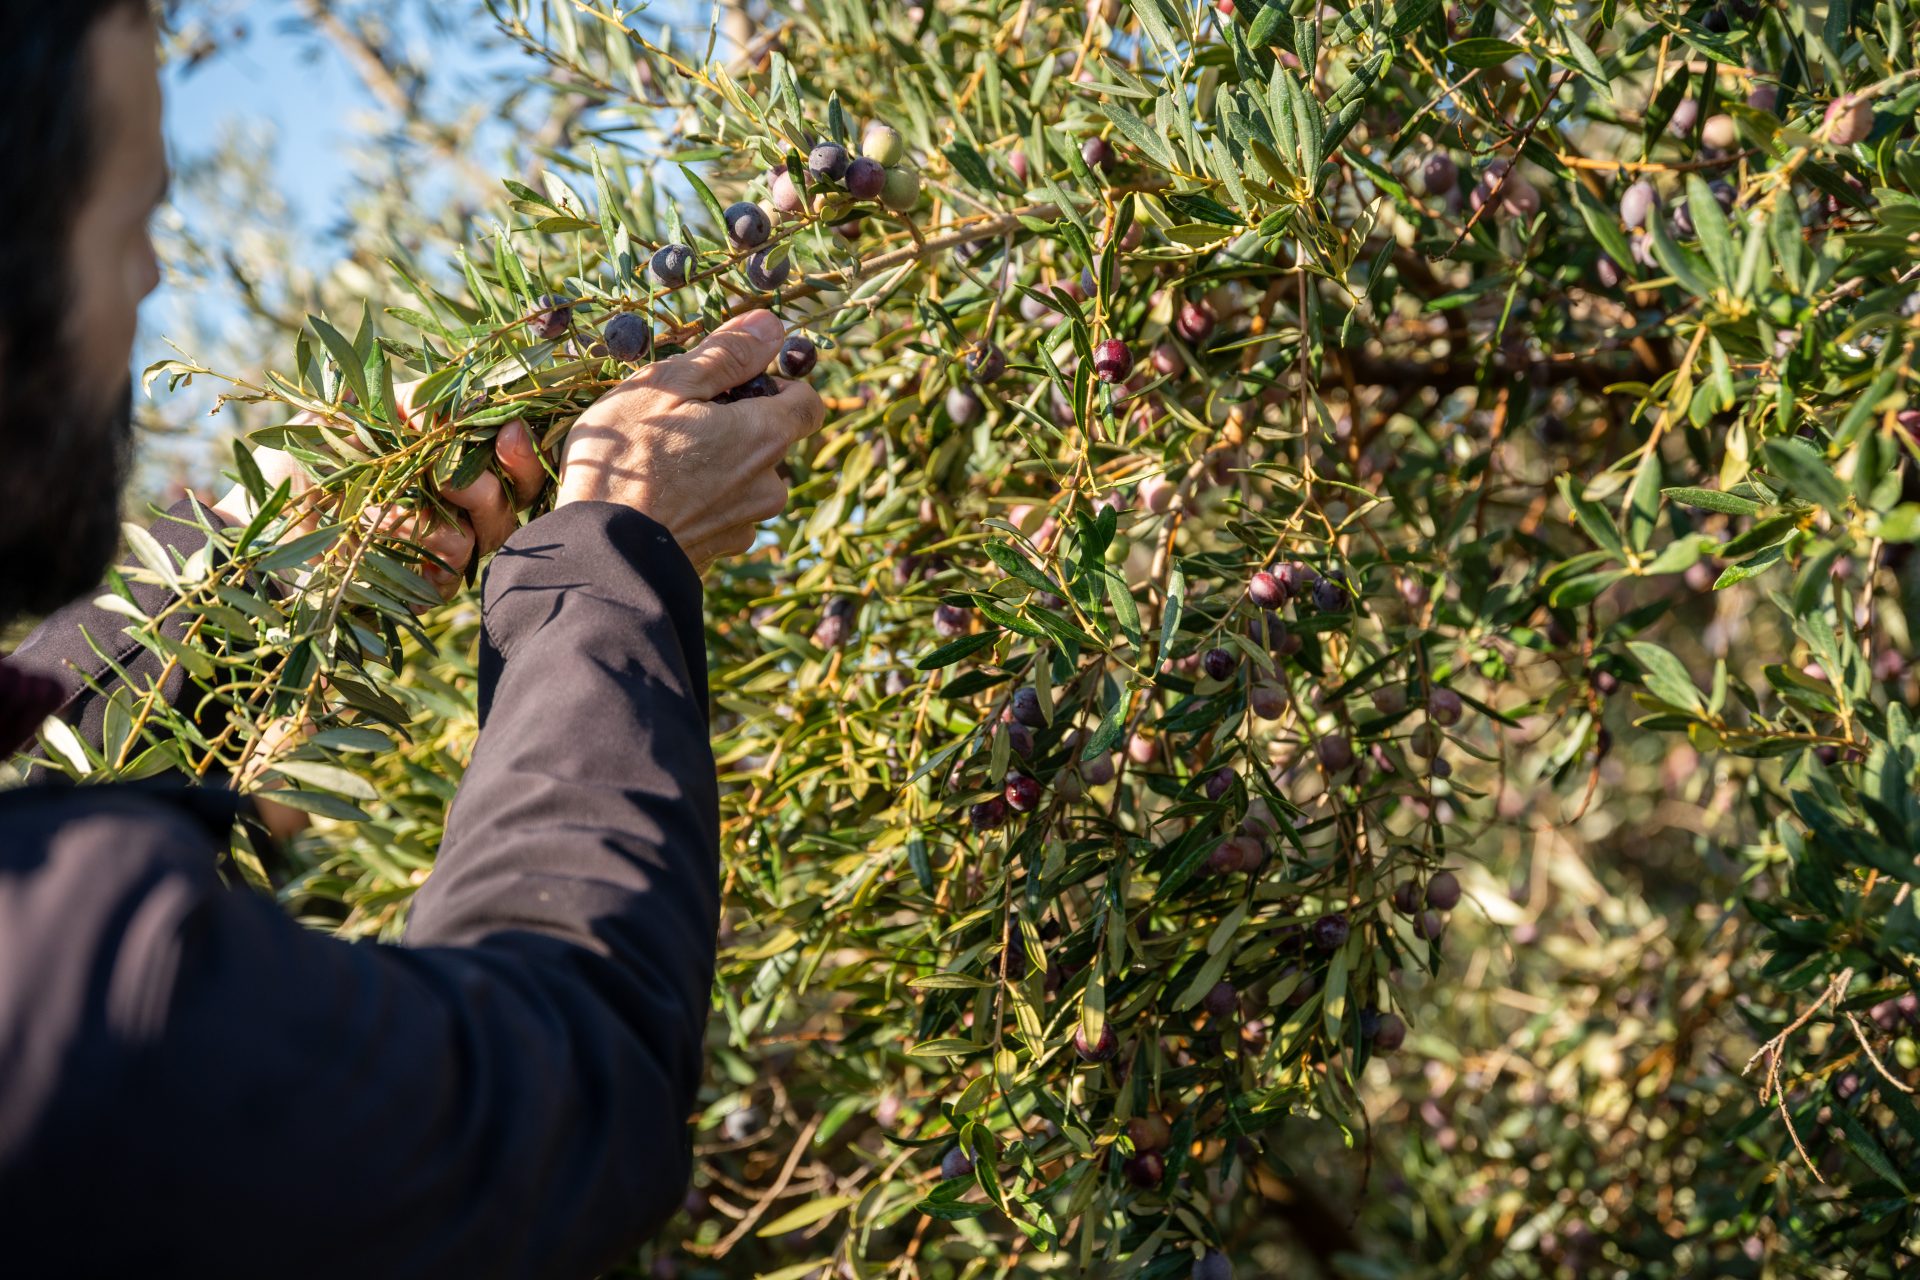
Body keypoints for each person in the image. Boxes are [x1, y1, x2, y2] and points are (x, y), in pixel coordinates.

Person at [0, 3, 825, 1275]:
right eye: (130, 225)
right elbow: (550, 1091)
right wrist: (608, 562)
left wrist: (260, 554)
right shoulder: (66, 989)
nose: (153, 280)